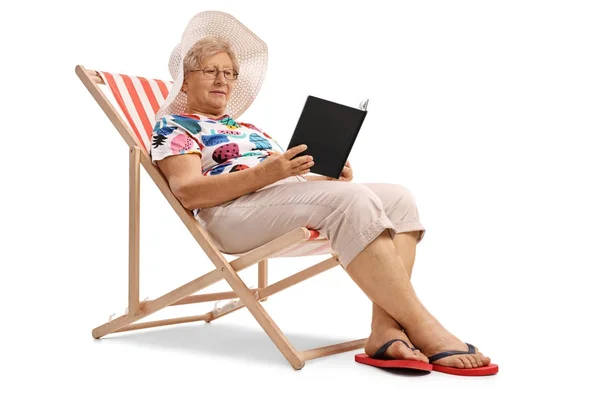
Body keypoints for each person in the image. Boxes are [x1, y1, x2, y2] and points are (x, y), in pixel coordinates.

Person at [151, 11, 497, 375]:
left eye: (228, 72)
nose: (222, 79)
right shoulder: (173, 125)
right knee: (354, 201)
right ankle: (426, 328)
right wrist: (271, 171)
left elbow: (283, 185)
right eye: (209, 71)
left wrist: (326, 178)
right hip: (231, 216)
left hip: (271, 202)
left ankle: (385, 331)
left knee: (398, 198)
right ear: (185, 81)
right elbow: (189, 193)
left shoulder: (247, 127)